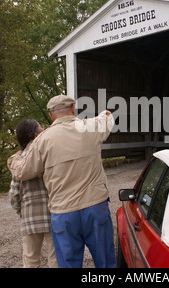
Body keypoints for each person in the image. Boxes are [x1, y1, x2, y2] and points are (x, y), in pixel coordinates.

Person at [8, 95, 116, 268]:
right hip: (95, 207)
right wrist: (102, 114)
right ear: (73, 108)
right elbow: (108, 118)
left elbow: (22, 171)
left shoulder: (42, 140)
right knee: (105, 263)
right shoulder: (91, 127)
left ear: (51, 116)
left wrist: (13, 159)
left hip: (63, 213)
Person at [7, 119, 57, 268]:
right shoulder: (49, 154)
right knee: (55, 259)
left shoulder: (19, 161)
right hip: (53, 214)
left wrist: (22, 212)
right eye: (41, 129)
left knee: (30, 260)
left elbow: (14, 196)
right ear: (36, 135)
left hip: (29, 217)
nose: (44, 131)